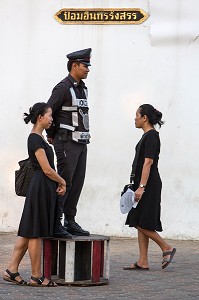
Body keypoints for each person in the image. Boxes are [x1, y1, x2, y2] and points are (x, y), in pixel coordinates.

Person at [3, 102, 67, 287]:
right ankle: (36, 276)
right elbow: (46, 169)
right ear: (40, 117)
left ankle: (11, 270)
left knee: (28, 230)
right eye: (50, 115)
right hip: (40, 186)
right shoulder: (35, 139)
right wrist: (62, 181)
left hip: (42, 186)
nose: (52, 119)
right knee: (36, 232)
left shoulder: (39, 138)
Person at [123, 104, 176, 271]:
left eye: (137, 115)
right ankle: (143, 261)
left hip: (149, 184)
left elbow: (148, 162)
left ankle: (166, 247)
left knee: (142, 222)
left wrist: (141, 187)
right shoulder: (146, 136)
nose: (135, 118)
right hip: (142, 183)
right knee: (139, 219)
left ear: (144, 117)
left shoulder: (152, 136)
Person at [46, 48, 92, 237]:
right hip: (66, 142)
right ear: (74, 66)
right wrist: (51, 133)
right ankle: (56, 223)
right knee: (64, 182)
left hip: (81, 144)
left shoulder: (82, 88)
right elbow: (48, 111)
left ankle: (70, 221)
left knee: (77, 182)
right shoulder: (62, 87)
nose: (88, 69)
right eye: (85, 66)